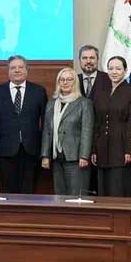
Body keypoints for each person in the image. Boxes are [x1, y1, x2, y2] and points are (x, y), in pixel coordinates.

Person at [0, 55, 49, 194]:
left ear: (27, 70)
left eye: (20, 67)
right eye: (13, 68)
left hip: (32, 150)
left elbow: (46, 123)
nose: (17, 70)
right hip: (5, 151)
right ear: (8, 71)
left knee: (28, 190)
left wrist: (45, 151)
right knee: (8, 191)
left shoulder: (39, 91)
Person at [39, 66, 92, 198]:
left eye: (69, 79)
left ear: (75, 82)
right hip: (57, 158)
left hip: (75, 158)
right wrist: (45, 155)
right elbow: (47, 130)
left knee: (75, 197)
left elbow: (87, 130)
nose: (65, 82)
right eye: (62, 80)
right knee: (60, 196)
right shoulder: (51, 103)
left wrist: (84, 156)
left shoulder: (84, 103)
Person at [91, 56, 131, 197]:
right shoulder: (101, 93)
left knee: (119, 189)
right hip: (101, 148)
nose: (114, 72)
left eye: (118, 69)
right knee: (103, 191)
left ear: (125, 70)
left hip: (121, 148)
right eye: (111, 68)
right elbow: (96, 122)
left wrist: (129, 150)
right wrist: (93, 149)